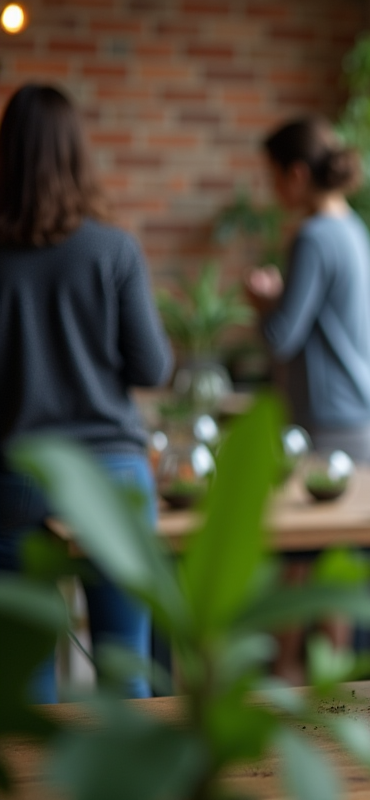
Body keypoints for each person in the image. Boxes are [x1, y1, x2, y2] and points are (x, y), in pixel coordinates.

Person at [0, 84, 173, 701]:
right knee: (127, 676)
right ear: (78, 154)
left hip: (16, 478)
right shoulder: (114, 250)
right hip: (115, 479)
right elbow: (152, 368)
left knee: (25, 687)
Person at [244, 116, 370, 466]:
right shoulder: (353, 227)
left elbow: (280, 338)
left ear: (295, 174)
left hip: (333, 427)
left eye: (273, 177)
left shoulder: (312, 237)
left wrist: (261, 304)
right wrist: (281, 298)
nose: (272, 189)